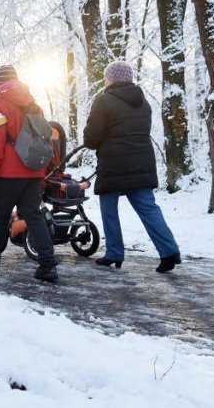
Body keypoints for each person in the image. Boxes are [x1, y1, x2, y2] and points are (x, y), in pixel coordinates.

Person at [83, 61, 182, 273]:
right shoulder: (143, 102)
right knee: (148, 208)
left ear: (110, 79)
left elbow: (92, 139)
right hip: (142, 161)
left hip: (114, 162)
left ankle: (114, 253)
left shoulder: (103, 101)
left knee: (109, 209)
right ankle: (169, 251)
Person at [0, 65, 59, 283]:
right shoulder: (35, 106)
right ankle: (48, 266)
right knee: (34, 216)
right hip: (33, 171)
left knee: (0, 217)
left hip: (9, 173)